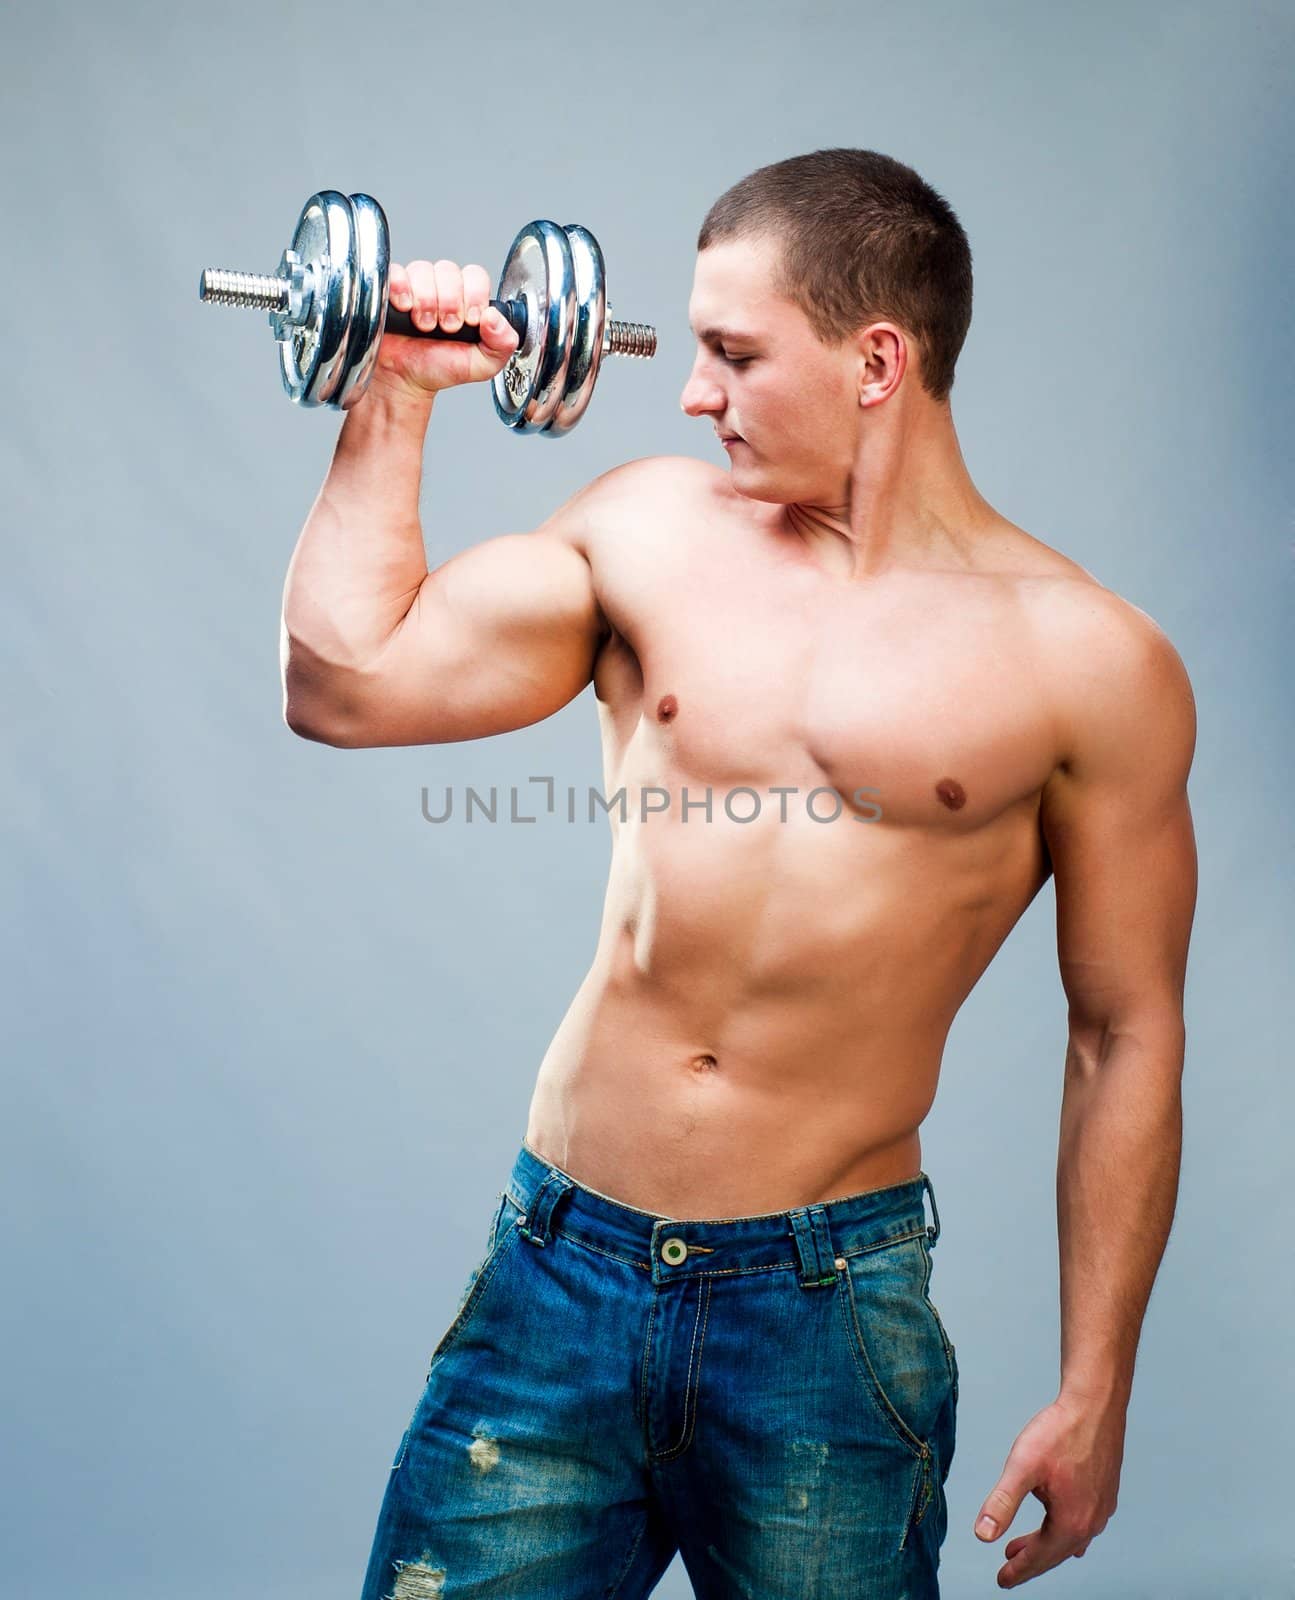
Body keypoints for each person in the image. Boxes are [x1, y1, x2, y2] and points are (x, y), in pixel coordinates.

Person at [281, 148, 1197, 1598]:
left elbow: (1125, 1030)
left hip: (825, 1318)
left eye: (733, 354)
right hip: (561, 1270)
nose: (693, 392)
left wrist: (1098, 1391)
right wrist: (392, 394)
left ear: (877, 360)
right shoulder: (648, 527)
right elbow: (345, 684)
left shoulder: (1092, 664)